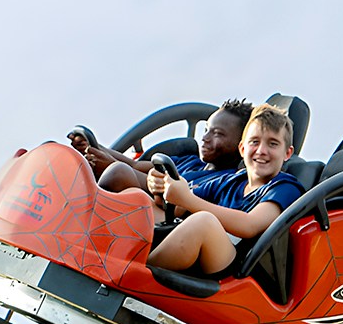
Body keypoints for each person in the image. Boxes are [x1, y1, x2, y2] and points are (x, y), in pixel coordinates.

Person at [145, 103, 303, 274]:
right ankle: (119, 255)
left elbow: (249, 225)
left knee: (203, 222)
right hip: (208, 254)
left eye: (273, 144)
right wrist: (161, 187)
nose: (261, 151)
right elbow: (179, 208)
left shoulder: (285, 187)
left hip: (239, 269)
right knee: (140, 200)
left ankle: (137, 276)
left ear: (287, 153)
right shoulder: (232, 180)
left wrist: (187, 199)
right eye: (254, 142)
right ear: (242, 148)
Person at [69, 100, 253, 209]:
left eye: (218, 134)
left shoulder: (226, 181)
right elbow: (135, 166)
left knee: (118, 173)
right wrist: (93, 146)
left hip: (165, 222)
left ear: (241, 147)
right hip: (137, 205)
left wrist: (110, 166)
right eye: (206, 129)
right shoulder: (189, 162)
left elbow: (179, 201)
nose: (205, 138)